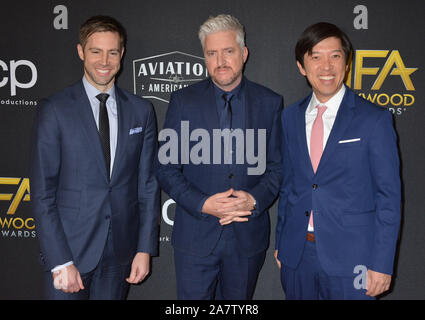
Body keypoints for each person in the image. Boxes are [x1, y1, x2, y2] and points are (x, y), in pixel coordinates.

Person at [30, 15, 159, 300]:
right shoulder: (55, 110)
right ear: (80, 52)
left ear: (122, 54)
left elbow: (147, 185)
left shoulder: (141, 111)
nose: (105, 61)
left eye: (112, 52)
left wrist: (144, 248)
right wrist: (60, 260)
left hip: (120, 254)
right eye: (95, 51)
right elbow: (42, 192)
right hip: (69, 252)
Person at [156, 14, 283, 299]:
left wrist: (253, 199)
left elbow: (277, 168)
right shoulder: (183, 101)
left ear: (244, 53)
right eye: (212, 53)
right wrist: (202, 203)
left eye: (228, 51)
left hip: (247, 239)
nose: (220, 60)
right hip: (195, 237)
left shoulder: (269, 103)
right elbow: (166, 168)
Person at [274, 22, 401, 300]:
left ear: (346, 63)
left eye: (335, 56)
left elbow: (388, 196)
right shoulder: (289, 117)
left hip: (354, 259)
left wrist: (381, 264)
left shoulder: (374, 119)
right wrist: (281, 242)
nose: (326, 67)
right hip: (297, 256)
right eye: (316, 57)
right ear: (301, 66)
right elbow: (289, 184)